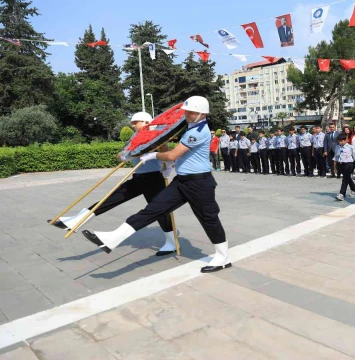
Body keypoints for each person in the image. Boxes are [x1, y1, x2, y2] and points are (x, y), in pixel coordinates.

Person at [81, 96, 230, 273]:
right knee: (153, 209)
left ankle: (222, 257)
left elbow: (173, 155)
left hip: (199, 183)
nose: (187, 114)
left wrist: (153, 156)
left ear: (202, 114)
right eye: (186, 111)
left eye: (191, 112)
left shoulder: (197, 132)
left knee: (208, 218)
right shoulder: (190, 127)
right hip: (182, 181)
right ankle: (113, 238)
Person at [49, 112, 177, 257]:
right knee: (110, 198)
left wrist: (166, 165)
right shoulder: (135, 136)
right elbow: (119, 155)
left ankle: (171, 243)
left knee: (160, 211)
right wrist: (126, 155)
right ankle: (76, 221)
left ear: (146, 122)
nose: (132, 125)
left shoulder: (157, 135)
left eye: (135, 122)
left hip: (154, 179)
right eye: (132, 122)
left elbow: (168, 153)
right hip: (137, 178)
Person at [333, 134, 355, 201]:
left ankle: (342, 194)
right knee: (347, 178)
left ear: (346, 140)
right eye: (339, 141)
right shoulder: (337, 147)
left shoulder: (350, 147)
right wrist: (335, 167)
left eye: (342, 141)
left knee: (344, 179)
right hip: (340, 164)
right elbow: (336, 157)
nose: (340, 142)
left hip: (349, 164)